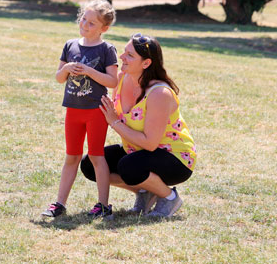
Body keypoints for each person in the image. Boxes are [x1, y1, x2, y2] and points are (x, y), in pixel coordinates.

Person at [80, 33, 197, 217]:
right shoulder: (121, 78)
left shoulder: (159, 93)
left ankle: (169, 197)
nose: (122, 57)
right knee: (90, 164)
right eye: (124, 52)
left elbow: (150, 143)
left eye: (130, 55)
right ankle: (145, 192)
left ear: (146, 63)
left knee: (129, 167)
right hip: (136, 151)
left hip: (174, 158)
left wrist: (115, 122)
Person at [41, 0, 118, 219]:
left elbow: (113, 81)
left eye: (92, 23)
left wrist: (89, 71)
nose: (85, 24)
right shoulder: (70, 45)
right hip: (73, 111)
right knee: (71, 156)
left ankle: (103, 205)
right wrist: (65, 68)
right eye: (84, 18)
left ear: (104, 28)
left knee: (96, 156)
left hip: (96, 112)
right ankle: (59, 203)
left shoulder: (106, 49)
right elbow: (58, 78)